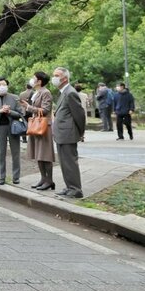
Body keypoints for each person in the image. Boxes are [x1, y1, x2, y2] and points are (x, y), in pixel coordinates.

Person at [51, 67, 85, 198]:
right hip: (61, 134)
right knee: (64, 163)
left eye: (56, 75)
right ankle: (69, 186)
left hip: (68, 134)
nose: (54, 78)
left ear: (64, 78)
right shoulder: (63, 92)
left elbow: (79, 115)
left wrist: (80, 132)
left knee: (70, 162)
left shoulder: (70, 93)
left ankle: (76, 189)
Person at [0, 77, 24, 185]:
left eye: (4, 84)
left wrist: (9, 111)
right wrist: (0, 111)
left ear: (7, 86)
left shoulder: (14, 98)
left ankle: (16, 177)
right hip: (0, 128)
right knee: (1, 153)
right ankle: (1, 178)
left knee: (15, 153)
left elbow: (20, 113)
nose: (2, 87)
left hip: (13, 128)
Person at [23, 71, 56, 191]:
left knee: (45, 154)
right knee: (39, 154)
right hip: (36, 126)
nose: (32, 80)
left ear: (39, 81)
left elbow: (46, 110)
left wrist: (29, 107)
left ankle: (49, 180)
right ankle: (43, 178)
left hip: (43, 126)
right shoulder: (37, 92)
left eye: (34, 78)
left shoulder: (46, 92)